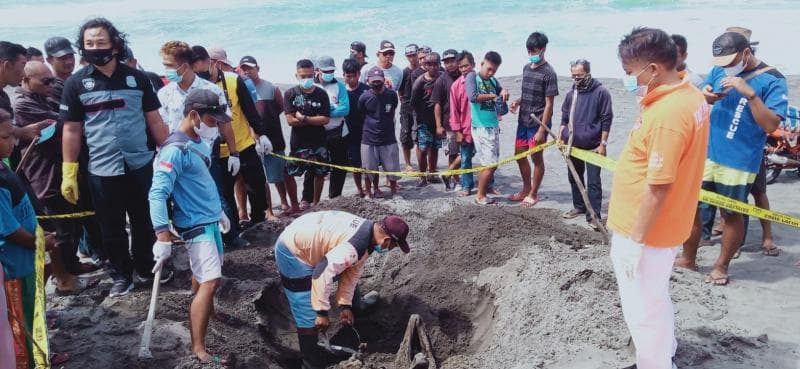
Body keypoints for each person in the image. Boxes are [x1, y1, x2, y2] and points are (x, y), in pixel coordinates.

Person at [608, 27, 710, 369]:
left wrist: (635, 241)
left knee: (641, 312)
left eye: (629, 73)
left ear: (652, 69)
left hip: (646, 232)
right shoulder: (688, 95)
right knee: (654, 300)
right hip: (664, 228)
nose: (627, 80)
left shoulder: (668, 114)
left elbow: (658, 185)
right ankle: (665, 353)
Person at [60, 18, 170, 297]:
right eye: (89, 44)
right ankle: (122, 274)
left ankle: (145, 266)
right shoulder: (76, 84)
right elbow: (71, 130)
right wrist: (69, 171)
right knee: (110, 226)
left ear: (115, 44)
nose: (95, 48)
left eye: (100, 42)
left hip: (140, 163)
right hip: (101, 168)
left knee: (145, 219)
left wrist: (170, 154)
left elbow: (155, 120)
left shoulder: (138, 78)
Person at [677, 28, 787, 285]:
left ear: (746, 53)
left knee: (730, 214)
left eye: (730, 63)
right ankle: (688, 258)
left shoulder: (773, 80)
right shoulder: (719, 71)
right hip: (708, 151)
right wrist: (706, 95)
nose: (725, 70)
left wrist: (749, 94)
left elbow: (770, 125)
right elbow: (707, 94)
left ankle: (721, 266)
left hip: (740, 159)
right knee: (692, 207)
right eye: (720, 65)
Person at [149, 89, 231, 365]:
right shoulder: (175, 149)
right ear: (194, 115)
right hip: (195, 225)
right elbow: (158, 193)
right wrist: (161, 232)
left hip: (209, 220)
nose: (216, 124)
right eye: (212, 119)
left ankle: (205, 310)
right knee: (209, 281)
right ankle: (198, 347)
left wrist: (218, 210)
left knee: (208, 277)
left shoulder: (198, 142)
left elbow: (202, 181)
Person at [275, 210, 410, 369]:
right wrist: (321, 312)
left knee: (346, 266)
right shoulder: (355, 245)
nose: (392, 249)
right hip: (293, 250)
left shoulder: (369, 235)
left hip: (311, 239)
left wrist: (345, 305)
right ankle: (310, 361)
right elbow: (322, 271)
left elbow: (352, 272)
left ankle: (355, 306)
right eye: (395, 245)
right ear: (387, 241)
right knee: (305, 308)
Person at [15, 61, 99, 294]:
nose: (51, 85)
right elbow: (65, 123)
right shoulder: (23, 104)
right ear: (26, 79)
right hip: (43, 176)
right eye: (45, 81)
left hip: (60, 170)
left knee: (72, 226)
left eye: (52, 80)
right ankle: (63, 279)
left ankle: (71, 266)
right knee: (57, 230)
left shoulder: (45, 97)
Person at [0, 109, 54, 369]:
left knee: (35, 311)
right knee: (19, 325)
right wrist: (40, 242)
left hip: (27, 262)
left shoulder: (4, 166)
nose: (13, 142)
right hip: (13, 268)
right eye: (5, 137)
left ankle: (41, 358)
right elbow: (9, 230)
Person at [200, 46, 269, 246]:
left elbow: (249, 109)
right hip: (216, 151)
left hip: (243, 144)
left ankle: (258, 222)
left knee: (256, 185)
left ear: (215, 63)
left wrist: (261, 133)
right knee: (225, 194)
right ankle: (233, 232)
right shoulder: (199, 85)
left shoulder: (233, 79)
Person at [239, 55, 300, 217]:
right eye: (243, 69)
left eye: (250, 68)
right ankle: (269, 211)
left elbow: (280, 107)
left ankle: (289, 203)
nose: (247, 72)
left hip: (274, 137)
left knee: (283, 173)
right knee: (262, 178)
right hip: (250, 140)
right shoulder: (240, 88)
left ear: (257, 68)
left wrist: (265, 123)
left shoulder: (271, 88)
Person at [558, 59, 613, 229]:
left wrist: (603, 144)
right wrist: (561, 136)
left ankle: (594, 216)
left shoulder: (601, 92)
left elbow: (606, 118)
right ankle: (579, 206)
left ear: (588, 73)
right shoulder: (571, 93)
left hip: (593, 146)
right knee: (574, 176)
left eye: (579, 76)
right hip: (572, 144)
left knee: (593, 181)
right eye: (573, 76)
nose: (576, 79)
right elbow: (564, 117)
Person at [509, 32, 558, 208]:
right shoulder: (526, 68)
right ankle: (526, 188)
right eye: (529, 51)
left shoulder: (549, 73)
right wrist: (517, 101)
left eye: (534, 51)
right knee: (519, 155)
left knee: (536, 158)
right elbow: (527, 92)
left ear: (543, 49)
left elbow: (549, 104)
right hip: (522, 121)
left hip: (538, 123)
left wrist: (542, 130)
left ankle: (533, 193)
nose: (531, 54)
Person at [284, 59, 331, 207]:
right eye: (303, 76)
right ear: (296, 75)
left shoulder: (322, 94)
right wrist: (313, 119)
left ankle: (316, 203)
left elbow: (325, 119)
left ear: (315, 74)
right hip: (298, 142)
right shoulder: (290, 94)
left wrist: (304, 118)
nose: (306, 79)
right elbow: (290, 121)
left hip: (319, 141)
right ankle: (295, 205)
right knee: (289, 172)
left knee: (319, 173)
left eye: (309, 76)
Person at [465, 51, 509, 205]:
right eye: (488, 69)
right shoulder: (472, 77)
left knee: (493, 163)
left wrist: (503, 92)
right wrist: (492, 96)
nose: (490, 73)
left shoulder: (493, 80)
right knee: (488, 164)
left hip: (493, 126)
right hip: (481, 127)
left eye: (494, 71)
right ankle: (480, 196)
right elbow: (473, 96)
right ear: (482, 63)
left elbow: (500, 90)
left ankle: (483, 191)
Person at [359, 67, 401, 197]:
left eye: (378, 80)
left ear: (383, 80)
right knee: (368, 169)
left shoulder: (392, 95)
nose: (376, 83)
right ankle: (369, 193)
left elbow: (393, 108)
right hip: (369, 138)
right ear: (368, 81)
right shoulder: (364, 97)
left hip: (388, 137)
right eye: (373, 81)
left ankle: (394, 192)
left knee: (392, 168)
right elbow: (361, 114)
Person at [312, 56, 349, 200]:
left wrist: (324, 111)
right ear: (317, 71)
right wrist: (332, 109)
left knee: (340, 166)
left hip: (339, 132)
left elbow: (345, 109)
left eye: (332, 71)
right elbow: (309, 110)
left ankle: (335, 196)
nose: (329, 73)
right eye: (326, 71)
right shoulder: (313, 87)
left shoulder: (339, 86)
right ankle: (312, 199)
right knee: (317, 168)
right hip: (318, 134)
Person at [411, 52, 443, 187]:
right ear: (424, 65)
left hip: (439, 121)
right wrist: (419, 121)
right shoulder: (420, 82)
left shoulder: (442, 78)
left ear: (439, 64)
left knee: (435, 148)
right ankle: (422, 175)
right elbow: (413, 102)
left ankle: (432, 173)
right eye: (429, 64)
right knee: (423, 149)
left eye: (435, 64)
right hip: (423, 120)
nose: (433, 67)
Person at [431, 49, 462, 190]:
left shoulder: (465, 75)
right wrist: (438, 125)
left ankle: (449, 174)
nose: (450, 64)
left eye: (452, 60)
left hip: (467, 121)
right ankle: (456, 180)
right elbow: (437, 104)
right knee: (453, 152)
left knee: (469, 151)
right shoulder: (441, 81)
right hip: (449, 123)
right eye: (447, 62)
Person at [449, 50, 477, 197]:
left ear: (473, 64)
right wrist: (458, 131)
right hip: (465, 128)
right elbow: (454, 111)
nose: (464, 69)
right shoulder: (455, 86)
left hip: (482, 127)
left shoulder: (481, 81)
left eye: (466, 66)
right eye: (461, 67)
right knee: (466, 159)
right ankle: (467, 186)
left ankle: (490, 184)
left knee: (487, 157)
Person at [342, 58, 368, 198]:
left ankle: (370, 187)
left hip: (366, 131)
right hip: (348, 132)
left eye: (354, 75)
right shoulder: (340, 90)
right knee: (355, 163)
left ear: (359, 74)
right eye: (348, 76)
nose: (351, 79)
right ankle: (359, 189)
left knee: (369, 162)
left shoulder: (366, 90)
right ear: (343, 75)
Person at [398, 43, 419, 172]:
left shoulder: (423, 70)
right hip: (406, 108)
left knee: (421, 137)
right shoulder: (404, 72)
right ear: (406, 56)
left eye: (414, 55)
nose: (412, 58)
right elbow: (400, 91)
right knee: (405, 136)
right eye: (409, 55)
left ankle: (424, 163)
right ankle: (408, 163)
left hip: (421, 109)